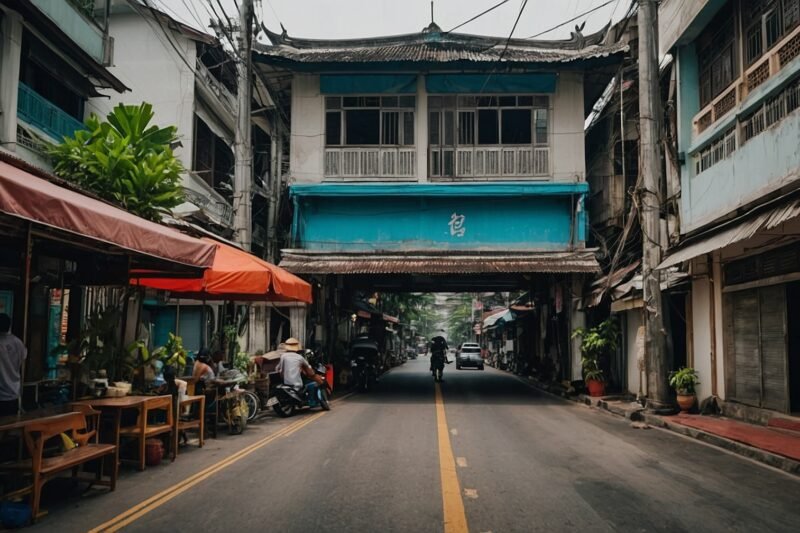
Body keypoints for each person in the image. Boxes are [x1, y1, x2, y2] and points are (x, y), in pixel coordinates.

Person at [0, 313, 26, 417]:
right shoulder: (18, 342)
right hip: (13, 392)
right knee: (9, 425)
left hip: (1, 395)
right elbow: (23, 357)